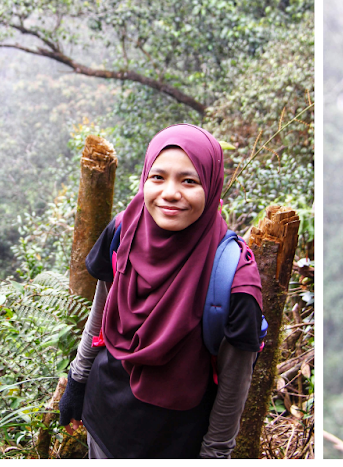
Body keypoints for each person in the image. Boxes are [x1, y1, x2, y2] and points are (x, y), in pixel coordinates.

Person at [58, 125, 262, 459]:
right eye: (158, 177)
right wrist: (77, 381)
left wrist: (215, 455)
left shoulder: (234, 277)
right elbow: (101, 310)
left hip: (174, 444)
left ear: (211, 186)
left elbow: (234, 383)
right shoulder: (125, 229)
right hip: (102, 420)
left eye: (189, 181)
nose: (170, 193)